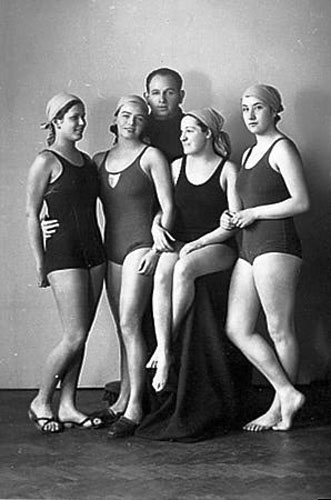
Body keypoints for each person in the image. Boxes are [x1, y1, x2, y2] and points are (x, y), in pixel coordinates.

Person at [221, 84, 310, 431]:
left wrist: (255, 213)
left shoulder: (282, 148)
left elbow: (301, 201)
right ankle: (287, 392)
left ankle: (280, 408)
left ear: (274, 111)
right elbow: (241, 207)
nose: (251, 115)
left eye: (258, 108)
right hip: (248, 246)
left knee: (278, 329)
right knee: (237, 328)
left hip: (278, 244)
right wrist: (231, 217)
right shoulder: (245, 155)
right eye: (245, 109)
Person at [91, 95, 174, 438]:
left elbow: (169, 206)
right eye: (126, 116)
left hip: (140, 248)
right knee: (123, 328)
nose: (131, 123)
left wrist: (156, 245)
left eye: (139, 118)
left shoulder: (152, 156)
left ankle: (136, 407)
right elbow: (73, 200)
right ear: (116, 119)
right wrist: (47, 219)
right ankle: (123, 398)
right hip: (111, 250)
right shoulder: (98, 160)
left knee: (129, 322)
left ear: (146, 124)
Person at [26, 92, 106, 433]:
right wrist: (40, 262)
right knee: (73, 335)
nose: (82, 123)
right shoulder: (46, 160)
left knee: (82, 334)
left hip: (94, 251)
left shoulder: (88, 162)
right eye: (74, 117)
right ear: (56, 121)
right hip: (63, 252)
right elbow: (32, 213)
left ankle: (69, 405)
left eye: (83, 116)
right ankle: (42, 400)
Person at [146, 108, 239, 393]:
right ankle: (164, 351)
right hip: (181, 241)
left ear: (208, 133)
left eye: (190, 130)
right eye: (181, 131)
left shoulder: (227, 169)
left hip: (217, 246)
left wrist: (198, 244)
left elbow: (233, 224)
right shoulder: (175, 167)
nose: (182, 136)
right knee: (163, 270)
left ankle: (165, 348)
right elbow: (163, 210)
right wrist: (155, 229)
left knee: (183, 268)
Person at [144, 67, 185, 164]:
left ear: (181, 96)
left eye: (170, 93)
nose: (162, 99)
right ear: (147, 97)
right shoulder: (137, 128)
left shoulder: (194, 128)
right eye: (156, 93)